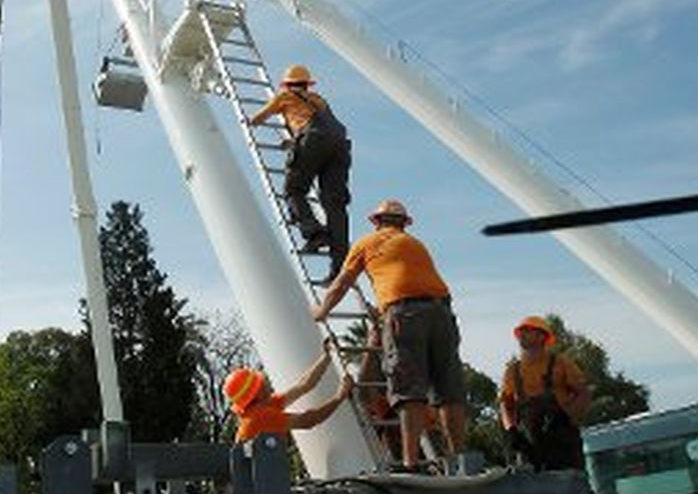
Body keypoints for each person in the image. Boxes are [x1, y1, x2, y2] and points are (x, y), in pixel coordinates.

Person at [313, 199, 464, 470]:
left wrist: (322, 310)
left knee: (409, 389)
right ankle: (460, 460)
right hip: (442, 312)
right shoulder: (415, 244)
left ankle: (410, 462)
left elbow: (342, 283)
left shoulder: (367, 243)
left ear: (376, 222)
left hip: (405, 313)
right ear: (404, 224)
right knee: (448, 390)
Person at [247, 64, 351, 282]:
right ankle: (339, 267)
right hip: (339, 144)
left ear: (287, 84)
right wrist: (296, 140)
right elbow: (319, 125)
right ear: (307, 83)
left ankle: (315, 233)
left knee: (294, 190)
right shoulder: (319, 99)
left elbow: (259, 118)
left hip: (313, 139)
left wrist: (249, 121)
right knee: (335, 204)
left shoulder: (284, 96)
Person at [499, 315, 592, 471]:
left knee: (572, 482)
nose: (521, 335)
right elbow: (506, 405)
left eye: (527, 331)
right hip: (530, 443)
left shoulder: (560, 363)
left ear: (541, 336)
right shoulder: (512, 371)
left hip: (562, 439)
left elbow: (583, 393)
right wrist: (511, 431)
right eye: (520, 332)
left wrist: (570, 418)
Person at [224, 346, 355, 444]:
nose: (265, 380)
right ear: (257, 393)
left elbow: (304, 385)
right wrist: (340, 396)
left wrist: (327, 356)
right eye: (260, 382)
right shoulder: (259, 417)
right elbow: (308, 420)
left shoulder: (262, 407)